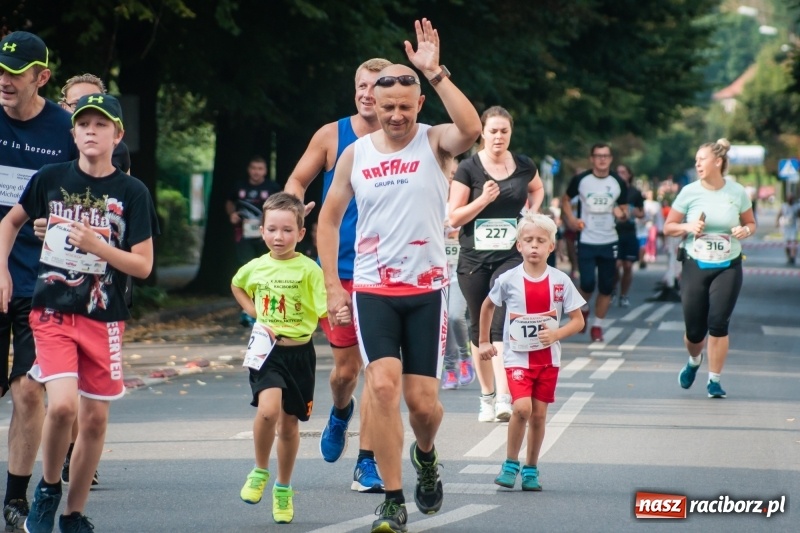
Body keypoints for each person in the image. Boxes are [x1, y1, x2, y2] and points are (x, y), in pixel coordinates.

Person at [317, 18, 481, 533]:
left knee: (423, 406)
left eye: (403, 108)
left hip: (427, 289)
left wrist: (434, 72)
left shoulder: (435, 143)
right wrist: (331, 284)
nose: (394, 116)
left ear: (417, 107)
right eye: (386, 107)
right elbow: (327, 217)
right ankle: (391, 498)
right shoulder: (355, 155)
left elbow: (472, 129)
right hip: (373, 290)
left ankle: (426, 456)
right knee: (383, 390)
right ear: (374, 105)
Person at [0, 93, 158, 532]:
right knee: (63, 407)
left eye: (101, 124)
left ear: (117, 135)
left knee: (94, 418)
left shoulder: (132, 192)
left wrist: (100, 248)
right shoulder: (50, 178)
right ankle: (48, 489)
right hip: (50, 310)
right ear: (73, 134)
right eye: (83, 124)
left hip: (104, 317)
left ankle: (73, 512)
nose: (91, 130)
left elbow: (143, 265)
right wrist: (3, 273)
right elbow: (10, 222)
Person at [284, 57, 391, 494]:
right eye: (361, 86)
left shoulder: (401, 139)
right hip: (340, 271)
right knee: (345, 371)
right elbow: (296, 179)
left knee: (376, 369)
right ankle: (340, 411)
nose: (368, 93)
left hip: (385, 273)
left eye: (376, 87)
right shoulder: (332, 135)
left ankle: (366, 461)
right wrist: (294, 211)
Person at [0, 30, 78, 532]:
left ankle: (15, 498)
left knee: (29, 390)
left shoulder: (67, 129)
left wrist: (67, 220)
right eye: (0, 71)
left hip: (43, 279)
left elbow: (97, 191)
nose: (5, 81)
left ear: (41, 77)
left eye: (15, 73)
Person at [232, 193, 348, 525]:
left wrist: (337, 319)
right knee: (268, 411)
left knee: (289, 424)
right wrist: (254, 312)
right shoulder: (256, 267)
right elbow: (237, 285)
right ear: (262, 231)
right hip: (267, 350)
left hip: (300, 353)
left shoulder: (309, 269)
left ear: (300, 233)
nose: (278, 237)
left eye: (286, 230)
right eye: (272, 230)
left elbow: (325, 309)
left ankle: (283, 487)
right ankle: (259, 470)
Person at [447, 105, 545, 423]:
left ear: (510, 132)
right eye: (493, 131)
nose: (499, 136)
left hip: (510, 256)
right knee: (480, 328)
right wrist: (483, 200)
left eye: (504, 130)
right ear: (482, 135)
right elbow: (453, 217)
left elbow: (537, 187)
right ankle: (487, 396)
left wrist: (533, 213)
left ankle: (505, 396)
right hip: (474, 259)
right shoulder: (468, 169)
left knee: (502, 322)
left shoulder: (524, 165)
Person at [476, 213, 584, 492]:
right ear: (518, 246)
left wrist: (557, 334)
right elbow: (488, 306)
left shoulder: (560, 281)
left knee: (538, 416)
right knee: (521, 408)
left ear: (551, 246)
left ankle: (531, 467)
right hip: (517, 358)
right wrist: (484, 340)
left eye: (540, 241)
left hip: (549, 360)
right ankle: (511, 463)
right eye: (528, 240)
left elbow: (578, 320)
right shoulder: (508, 279)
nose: (534, 246)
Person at [665, 138, 755, 399]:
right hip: (695, 263)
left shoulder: (736, 192)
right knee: (694, 331)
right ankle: (694, 361)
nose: (697, 164)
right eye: (696, 161)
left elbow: (751, 223)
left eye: (701, 159)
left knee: (718, 323)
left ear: (717, 161)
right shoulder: (689, 192)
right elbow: (668, 227)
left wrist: (745, 230)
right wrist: (687, 227)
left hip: (728, 265)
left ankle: (714, 380)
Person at [561, 144, 628, 342]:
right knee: (588, 283)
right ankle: (583, 308)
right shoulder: (582, 180)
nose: (602, 159)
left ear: (611, 158)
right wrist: (572, 220)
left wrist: (621, 213)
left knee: (607, 286)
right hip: (587, 238)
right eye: (598, 156)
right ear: (592, 159)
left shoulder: (617, 182)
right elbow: (565, 199)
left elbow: (624, 211)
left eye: (605, 156)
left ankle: (597, 326)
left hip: (609, 239)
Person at [226, 156, 280, 326]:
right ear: (249, 169)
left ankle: (268, 307)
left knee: (267, 269)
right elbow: (229, 201)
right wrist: (232, 214)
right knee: (248, 269)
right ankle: (247, 310)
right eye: (254, 168)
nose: (256, 172)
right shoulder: (240, 186)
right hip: (244, 235)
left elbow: (282, 205)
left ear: (265, 171)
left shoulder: (272, 188)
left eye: (260, 168)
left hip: (267, 236)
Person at [442, 156, 474, 390]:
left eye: (455, 175)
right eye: (447, 173)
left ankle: (465, 356)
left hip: (461, 271)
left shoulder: (467, 203)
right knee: (442, 323)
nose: (450, 178)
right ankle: (450, 370)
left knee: (454, 316)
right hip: (433, 273)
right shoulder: (428, 200)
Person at [611, 164, 644, 308]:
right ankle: (612, 290)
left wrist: (635, 212)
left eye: (623, 172)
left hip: (629, 231)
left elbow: (642, 212)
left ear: (629, 175)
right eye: (618, 172)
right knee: (615, 264)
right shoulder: (611, 191)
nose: (620, 175)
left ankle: (624, 295)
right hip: (613, 232)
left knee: (628, 265)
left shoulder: (635, 193)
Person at [776, 195, 798, 265]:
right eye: (789, 199)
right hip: (786, 227)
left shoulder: (796, 206)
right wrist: (777, 222)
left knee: (794, 242)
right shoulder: (784, 206)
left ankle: (793, 257)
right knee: (787, 243)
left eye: (791, 199)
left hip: (793, 227)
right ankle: (789, 256)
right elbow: (779, 214)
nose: (790, 200)